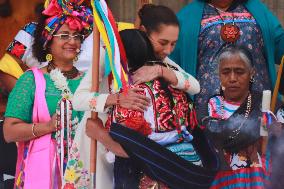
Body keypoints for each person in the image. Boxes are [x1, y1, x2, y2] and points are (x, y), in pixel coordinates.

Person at [3, 0, 93, 187]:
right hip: (44, 172)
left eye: (77, 36)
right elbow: (9, 132)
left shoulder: (90, 81)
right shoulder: (31, 81)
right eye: (64, 35)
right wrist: (48, 126)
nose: (73, 41)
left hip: (86, 169)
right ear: (48, 41)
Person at [106, 29, 204, 189]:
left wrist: (97, 134)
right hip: (188, 163)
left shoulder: (132, 93)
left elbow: (124, 147)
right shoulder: (173, 79)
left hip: (156, 170)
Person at [170, 0, 284, 119]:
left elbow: (280, 46)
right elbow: (170, 62)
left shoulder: (257, 8)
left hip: (259, 106)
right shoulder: (187, 16)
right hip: (208, 110)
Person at [203, 45, 271, 188]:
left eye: (240, 72)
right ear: (218, 75)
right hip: (221, 182)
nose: (232, 78)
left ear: (252, 73)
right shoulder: (208, 108)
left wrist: (271, 129)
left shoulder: (267, 106)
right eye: (226, 72)